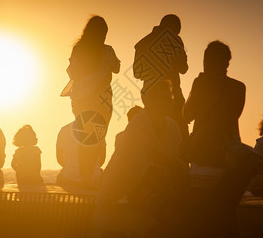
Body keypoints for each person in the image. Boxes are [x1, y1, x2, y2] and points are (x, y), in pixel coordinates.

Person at [183, 41, 257, 237]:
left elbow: (186, 115)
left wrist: (197, 87)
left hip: (203, 157)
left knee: (201, 216)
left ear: (207, 61)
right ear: (227, 63)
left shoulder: (201, 83)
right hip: (230, 158)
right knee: (226, 213)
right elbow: (233, 116)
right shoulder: (239, 88)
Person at [97, 80, 185, 219]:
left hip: (156, 186)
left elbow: (172, 161)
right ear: (149, 101)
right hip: (128, 188)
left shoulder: (172, 128)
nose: (170, 101)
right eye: (164, 98)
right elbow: (143, 170)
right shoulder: (137, 126)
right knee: (167, 209)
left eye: (171, 97)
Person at [133, 15, 189, 159]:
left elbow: (136, 72)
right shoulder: (175, 41)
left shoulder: (143, 43)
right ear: (174, 28)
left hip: (150, 94)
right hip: (171, 95)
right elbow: (183, 68)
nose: (177, 35)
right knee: (178, 136)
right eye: (177, 31)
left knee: (153, 135)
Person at [63, 16, 120, 129]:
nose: (104, 37)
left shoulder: (78, 49)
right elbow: (117, 68)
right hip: (102, 100)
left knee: (85, 138)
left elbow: (73, 73)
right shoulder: (107, 51)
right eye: (103, 34)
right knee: (98, 136)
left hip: (81, 99)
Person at [56, 119, 106, 190]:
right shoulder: (99, 129)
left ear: (73, 110)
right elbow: (102, 160)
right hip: (95, 177)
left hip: (70, 176)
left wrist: (71, 167)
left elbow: (59, 159)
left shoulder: (64, 130)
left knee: (60, 177)